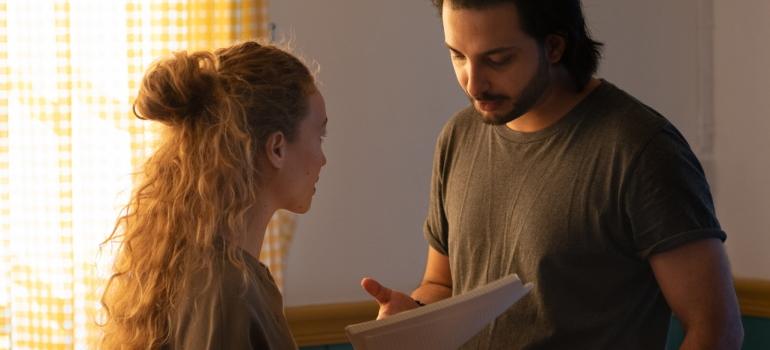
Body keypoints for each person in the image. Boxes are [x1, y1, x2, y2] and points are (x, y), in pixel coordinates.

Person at [361, 0, 744, 349]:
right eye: (458, 56)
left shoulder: (640, 150)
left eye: (497, 60)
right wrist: (413, 313)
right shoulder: (458, 137)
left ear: (555, 47)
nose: (472, 83)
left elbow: (716, 330)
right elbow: (442, 284)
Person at [100, 41, 327, 350]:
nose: (322, 159)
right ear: (277, 148)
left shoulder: (207, 270)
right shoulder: (227, 293)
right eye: (320, 136)